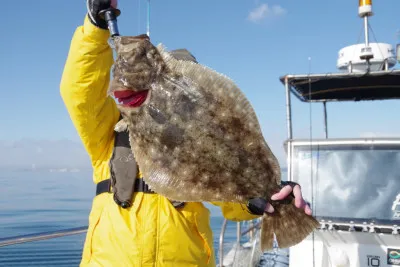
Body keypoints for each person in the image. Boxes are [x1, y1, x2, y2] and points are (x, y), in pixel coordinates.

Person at [60, 0, 312, 266]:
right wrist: (96, 26)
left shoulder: (206, 139)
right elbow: (80, 90)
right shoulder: (108, 135)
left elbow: (232, 201)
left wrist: (265, 196)